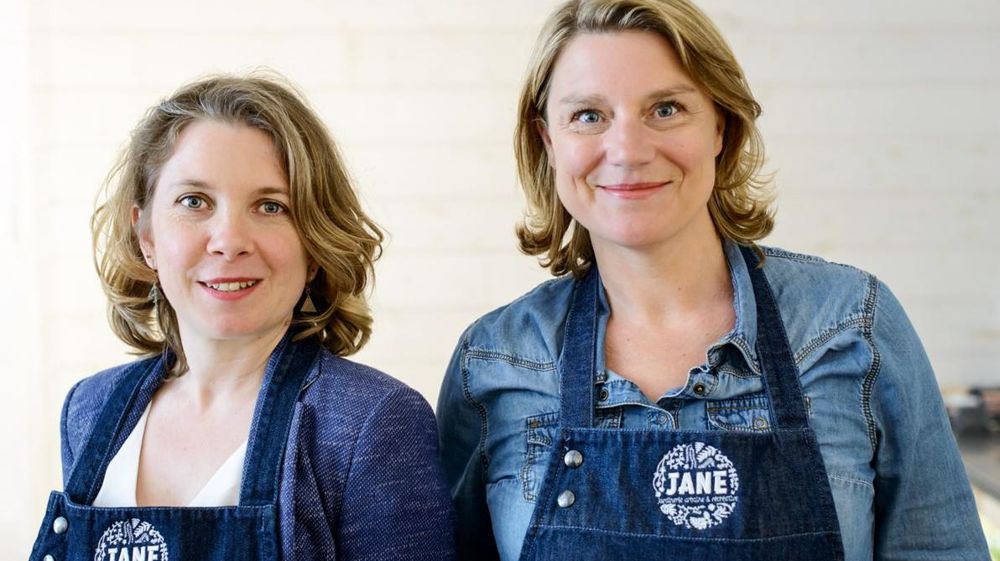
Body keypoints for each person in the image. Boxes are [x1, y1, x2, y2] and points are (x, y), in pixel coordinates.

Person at [436, 1, 989, 560]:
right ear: (548, 141)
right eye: (588, 115)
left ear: (720, 128)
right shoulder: (495, 361)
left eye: (666, 109)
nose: (627, 150)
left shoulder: (851, 326)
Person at [29, 74, 455, 561]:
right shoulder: (90, 410)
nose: (229, 239)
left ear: (314, 245)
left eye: (270, 206)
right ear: (146, 236)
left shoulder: (372, 423)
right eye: (194, 202)